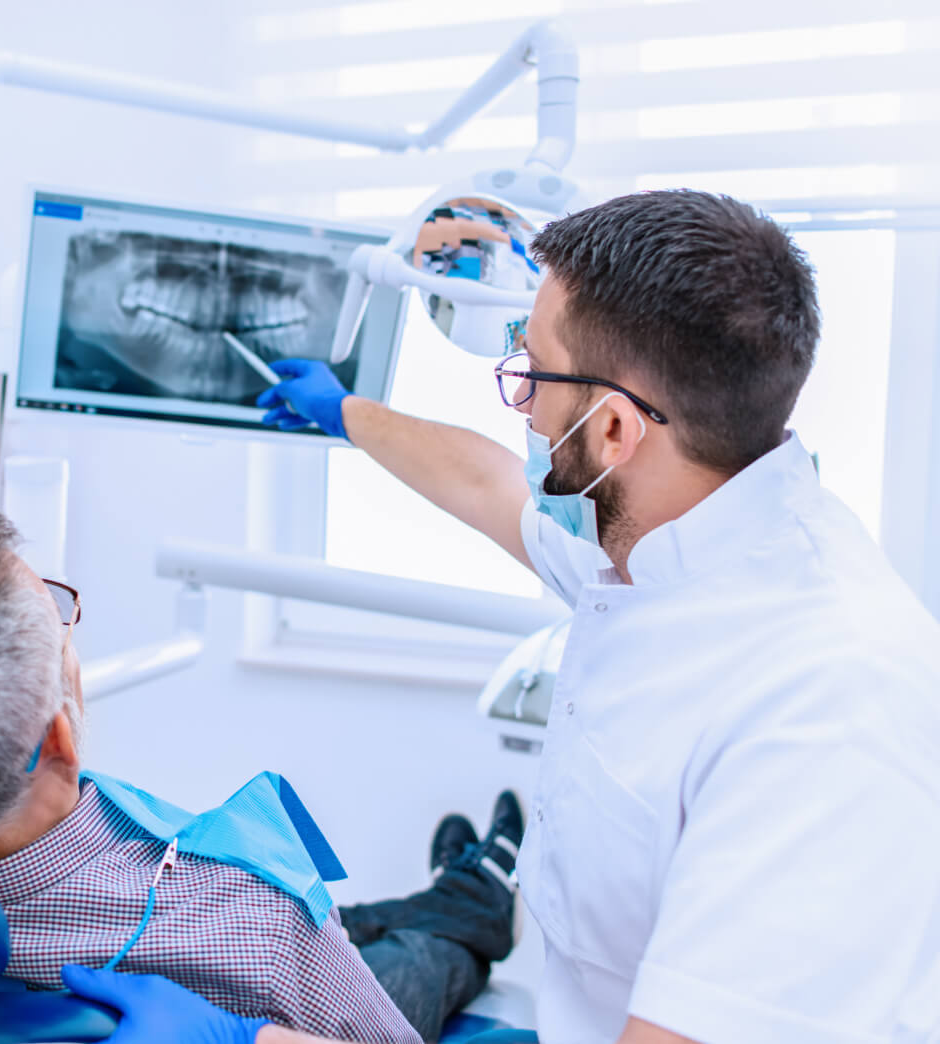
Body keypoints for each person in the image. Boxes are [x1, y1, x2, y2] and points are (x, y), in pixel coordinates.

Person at [117, 189, 939, 1044]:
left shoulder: (829, 708)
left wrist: (253, 1041)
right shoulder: (667, 527)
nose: (523, 404)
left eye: (530, 374)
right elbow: (487, 484)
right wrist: (347, 413)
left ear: (614, 429)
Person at [0, 489, 524, 1043]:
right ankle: (475, 901)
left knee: (347, 922)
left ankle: (448, 892)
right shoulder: (255, 924)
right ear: (58, 738)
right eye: (60, 618)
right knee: (416, 961)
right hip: (301, 988)